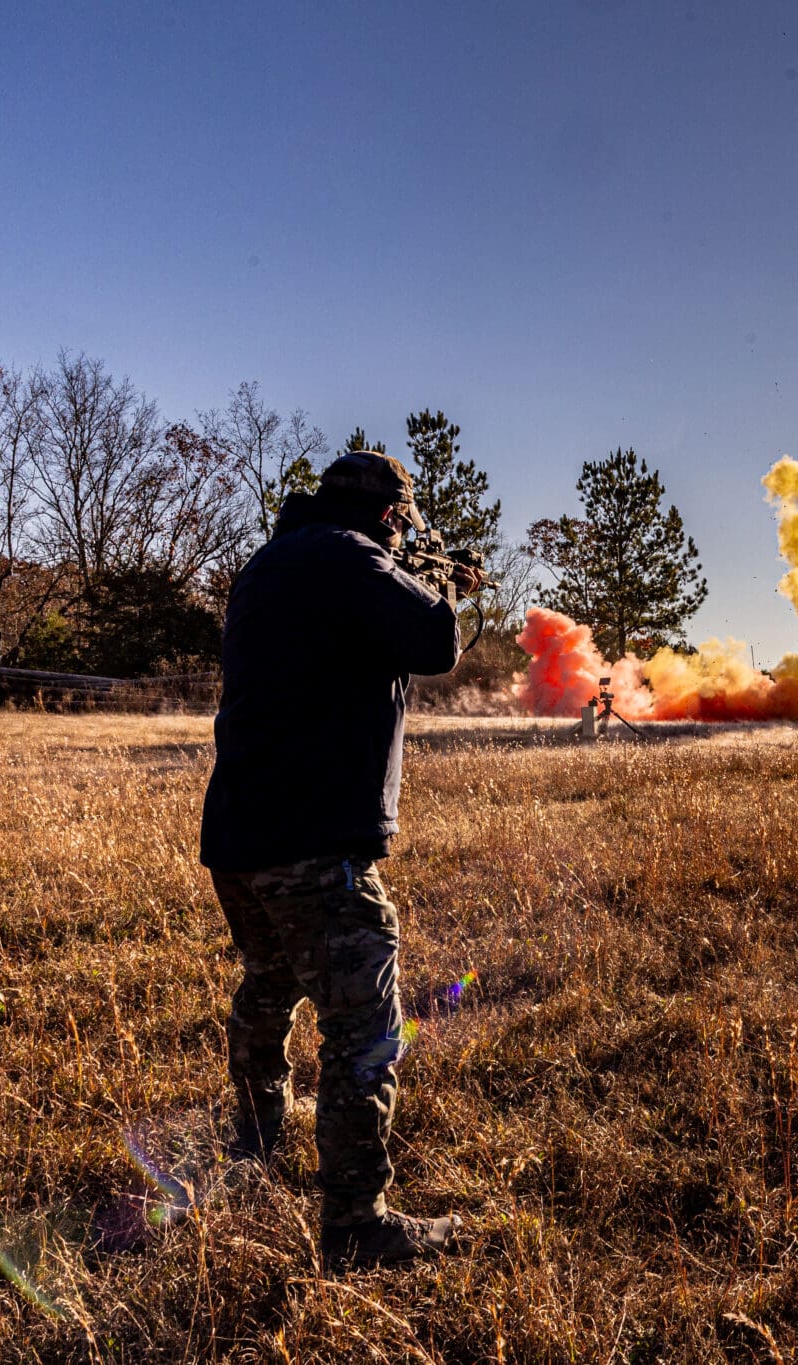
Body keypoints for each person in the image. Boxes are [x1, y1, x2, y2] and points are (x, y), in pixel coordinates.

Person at [199, 450, 481, 1269]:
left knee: (268, 985)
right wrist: (448, 587)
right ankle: (357, 1224)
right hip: (314, 840)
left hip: (240, 835)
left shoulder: (269, 564)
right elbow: (434, 641)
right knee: (365, 1028)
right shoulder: (349, 556)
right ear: (392, 518)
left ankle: (253, 1149)